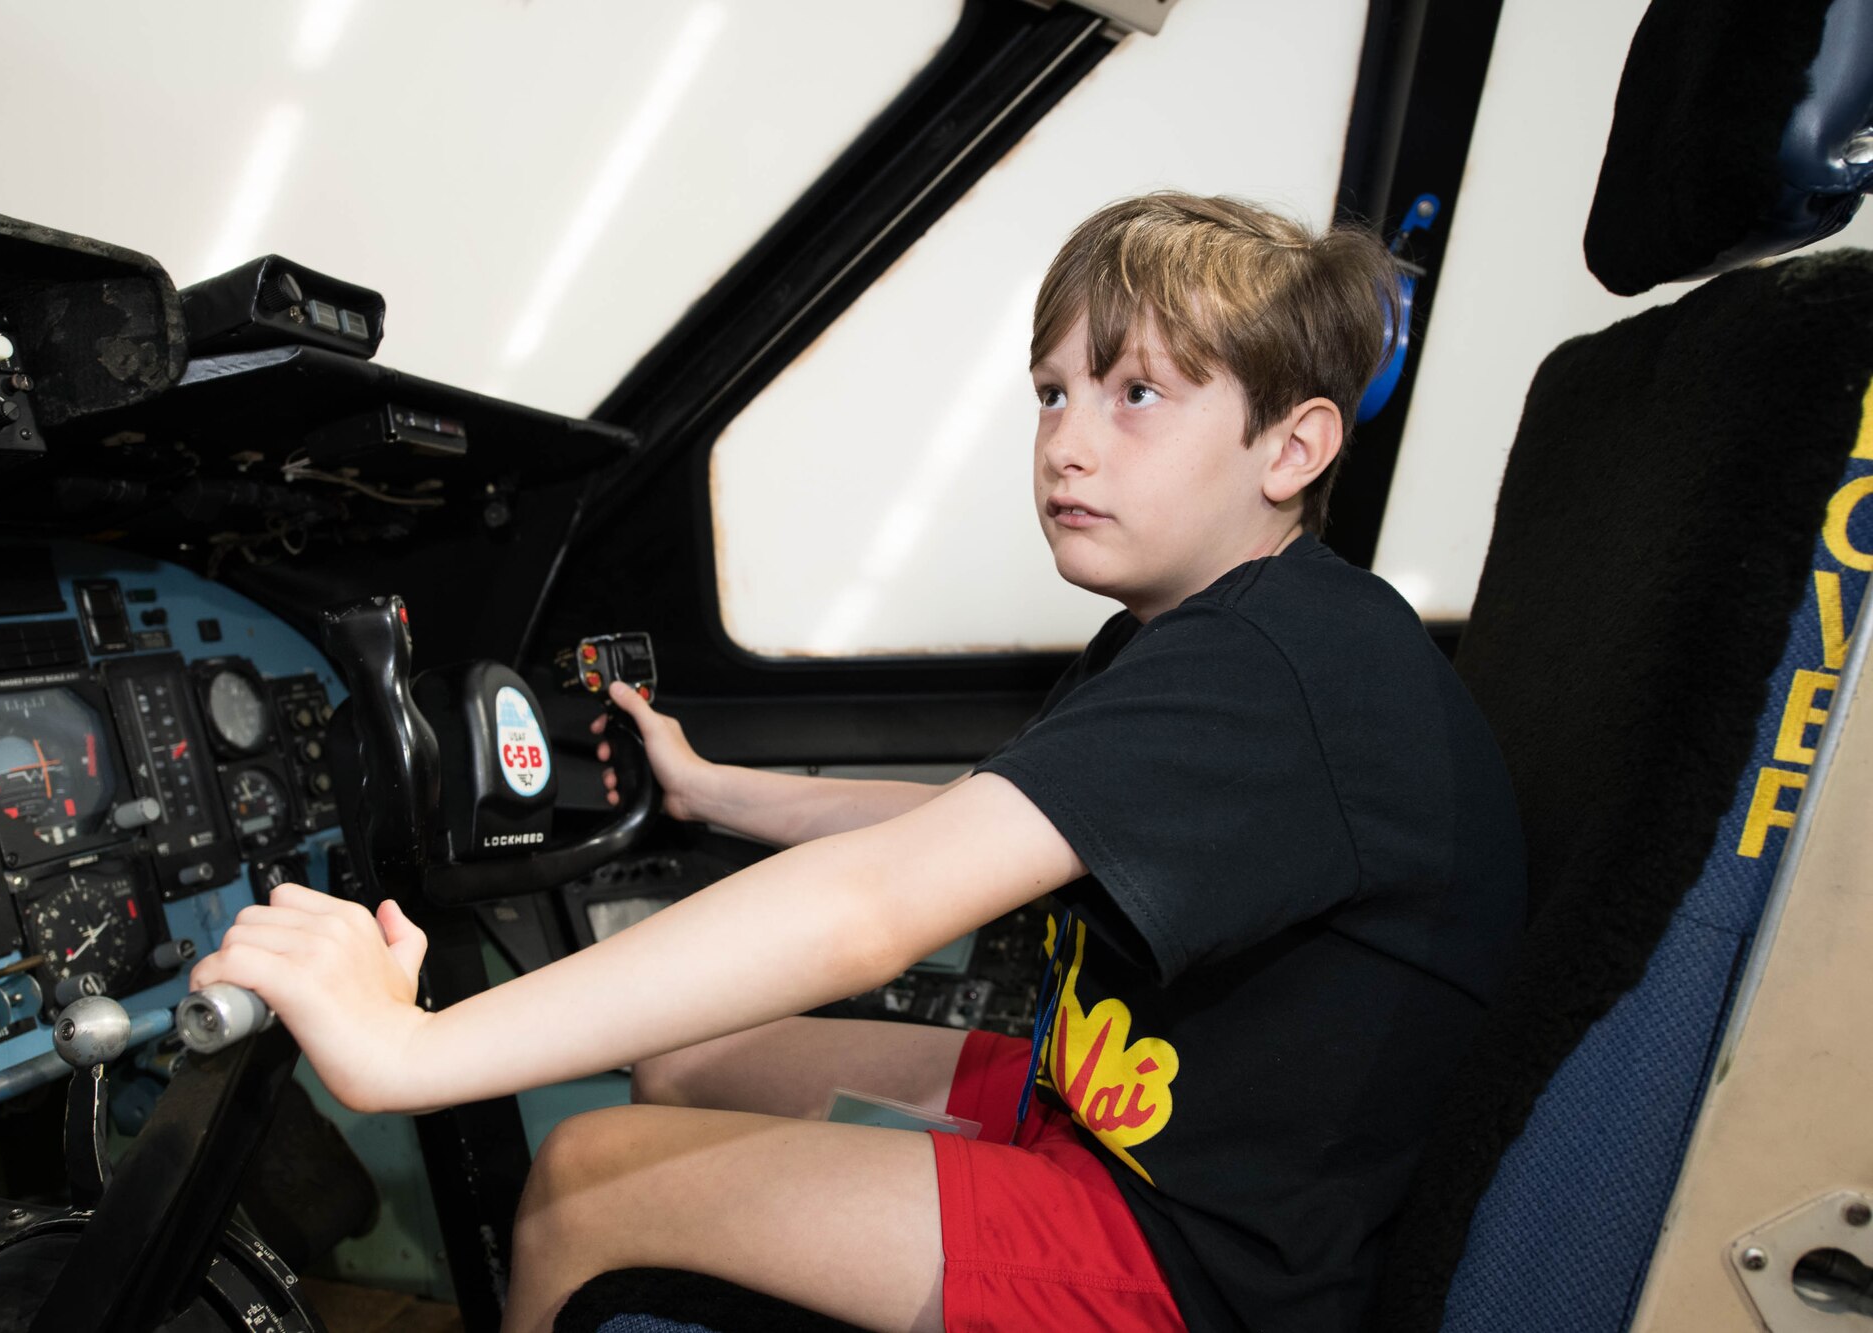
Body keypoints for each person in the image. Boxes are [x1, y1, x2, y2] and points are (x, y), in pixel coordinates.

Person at [191, 192, 1528, 1333]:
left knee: (586, 1175)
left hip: (1195, 1255)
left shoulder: (1272, 670)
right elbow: (976, 824)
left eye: (1137, 397)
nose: (1066, 439)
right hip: (1125, 1105)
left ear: (1292, 446)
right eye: (1052, 390)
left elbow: (878, 907)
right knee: (695, 1053)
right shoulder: (1211, 632)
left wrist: (408, 1050)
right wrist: (720, 790)